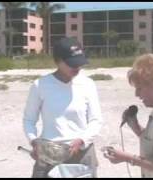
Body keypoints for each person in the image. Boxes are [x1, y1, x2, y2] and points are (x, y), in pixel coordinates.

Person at [23, 37, 103, 177]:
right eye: (71, 64)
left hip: (82, 153)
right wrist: (34, 141)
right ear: (58, 61)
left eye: (79, 63)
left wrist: (82, 140)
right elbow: (29, 120)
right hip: (49, 153)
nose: (77, 67)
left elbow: (96, 120)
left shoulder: (88, 84)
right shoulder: (40, 85)